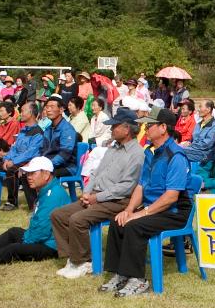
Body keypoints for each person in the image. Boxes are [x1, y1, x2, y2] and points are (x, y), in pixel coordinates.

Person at [97, 108, 192, 298]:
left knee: (134, 225)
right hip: (154, 207)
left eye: (149, 125)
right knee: (119, 221)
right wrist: (129, 209)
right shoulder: (150, 153)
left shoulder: (176, 156)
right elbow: (141, 186)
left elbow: (171, 197)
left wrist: (140, 213)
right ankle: (120, 273)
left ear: (163, 128)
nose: (144, 129)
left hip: (174, 211)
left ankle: (138, 279)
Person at [51, 107, 146, 279]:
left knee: (77, 219)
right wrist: (87, 192)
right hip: (97, 195)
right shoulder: (113, 147)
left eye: (115, 126)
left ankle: (84, 261)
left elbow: (126, 187)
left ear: (127, 129)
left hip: (118, 201)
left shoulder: (137, 154)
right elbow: (96, 172)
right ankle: (73, 257)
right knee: (58, 215)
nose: (111, 129)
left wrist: (96, 198)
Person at [0, 101, 45, 211]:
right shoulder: (23, 130)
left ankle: (12, 202)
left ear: (31, 113)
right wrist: (7, 158)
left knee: (11, 170)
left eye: (23, 111)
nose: (20, 113)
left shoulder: (38, 132)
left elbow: (30, 153)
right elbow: (14, 147)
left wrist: (13, 162)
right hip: (14, 160)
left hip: (27, 162)